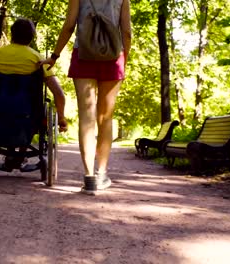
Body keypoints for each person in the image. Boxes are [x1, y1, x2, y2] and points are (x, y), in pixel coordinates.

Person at [40, 0, 132, 194]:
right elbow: (127, 32)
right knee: (105, 118)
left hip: (83, 54)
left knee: (86, 117)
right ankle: (102, 174)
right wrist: (125, 57)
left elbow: (68, 26)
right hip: (113, 56)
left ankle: (89, 176)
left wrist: (55, 56)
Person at [0, 18, 68, 169]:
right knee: (30, 114)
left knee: (2, 112)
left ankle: (9, 155)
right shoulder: (39, 60)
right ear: (32, 37)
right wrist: (62, 118)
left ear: (11, 34)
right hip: (29, 116)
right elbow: (59, 94)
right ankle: (21, 155)